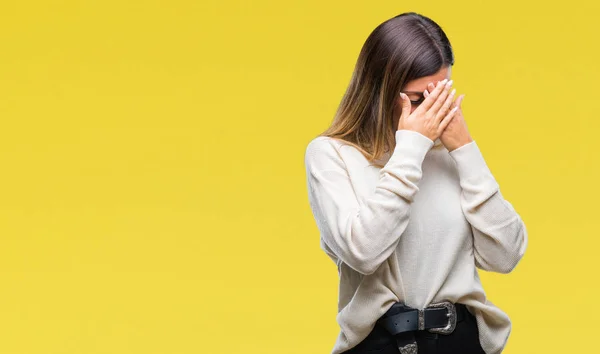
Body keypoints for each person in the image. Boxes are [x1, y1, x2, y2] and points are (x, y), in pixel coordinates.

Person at [303, 12, 528, 354]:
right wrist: (411, 147)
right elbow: (363, 252)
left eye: (442, 95)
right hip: (379, 343)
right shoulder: (330, 155)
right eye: (420, 99)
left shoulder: (451, 155)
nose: (434, 112)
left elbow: (506, 255)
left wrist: (466, 150)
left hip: (461, 341)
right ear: (380, 91)